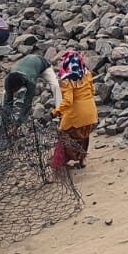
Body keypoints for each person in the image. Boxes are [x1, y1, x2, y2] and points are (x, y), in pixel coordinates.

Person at [49, 50, 98, 180]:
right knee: (84, 134)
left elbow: (68, 102)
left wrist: (54, 113)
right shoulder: (87, 75)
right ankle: (82, 159)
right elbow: (92, 92)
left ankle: (59, 165)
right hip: (92, 115)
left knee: (63, 134)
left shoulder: (67, 80)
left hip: (76, 115)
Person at [2, 52, 60, 132]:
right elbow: (8, 102)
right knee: (5, 93)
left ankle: (60, 113)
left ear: (21, 85)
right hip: (29, 62)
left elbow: (27, 104)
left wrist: (17, 126)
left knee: (56, 86)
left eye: (15, 90)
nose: (13, 92)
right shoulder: (8, 80)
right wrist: (5, 122)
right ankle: (4, 121)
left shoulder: (30, 81)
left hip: (43, 65)